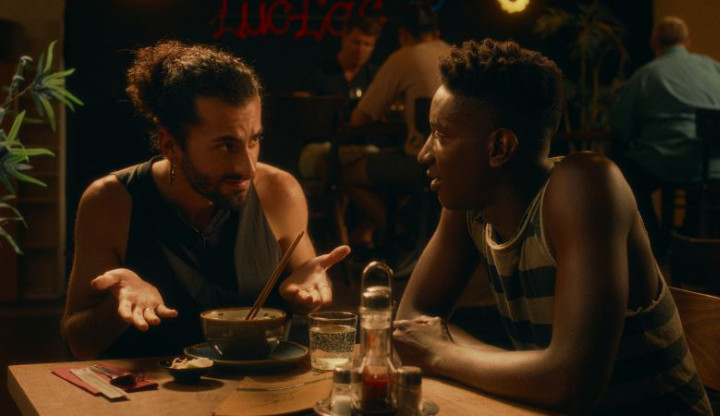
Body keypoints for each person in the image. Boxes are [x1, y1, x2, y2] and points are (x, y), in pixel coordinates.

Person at [393, 39, 711, 415]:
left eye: (442, 136)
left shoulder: (585, 186)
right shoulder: (470, 205)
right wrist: (534, 371)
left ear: (499, 148)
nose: (424, 154)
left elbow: (570, 384)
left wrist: (441, 352)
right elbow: (410, 325)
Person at [60, 40, 350, 359]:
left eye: (253, 140)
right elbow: (80, 343)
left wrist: (305, 295)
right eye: (226, 146)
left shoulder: (279, 192)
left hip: (256, 385)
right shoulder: (110, 201)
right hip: (153, 388)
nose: (248, 168)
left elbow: (304, 296)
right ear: (170, 145)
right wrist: (117, 304)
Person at [609, 16, 720, 252]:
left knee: (622, 173)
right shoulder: (713, 68)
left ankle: (652, 241)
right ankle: (690, 238)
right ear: (687, 42)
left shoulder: (646, 75)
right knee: (697, 175)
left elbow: (620, 124)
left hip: (671, 161)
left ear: (654, 43)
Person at [340, 2, 451, 251]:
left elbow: (360, 118)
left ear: (402, 34)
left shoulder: (404, 56)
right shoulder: (454, 53)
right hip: (459, 160)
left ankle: (401, 236)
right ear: (436, 32)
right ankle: (379, 233)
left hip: (421, 162)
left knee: (347, 175)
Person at [297, 15, 382, 180]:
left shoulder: (375, 76)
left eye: (367, 44)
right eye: (356, 42)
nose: (360, 49)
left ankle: (342, 190)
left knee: (375, 161)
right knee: (320, 162)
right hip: (322, 145)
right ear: (344, 38)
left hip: (362, 147)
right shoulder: (320, 72)